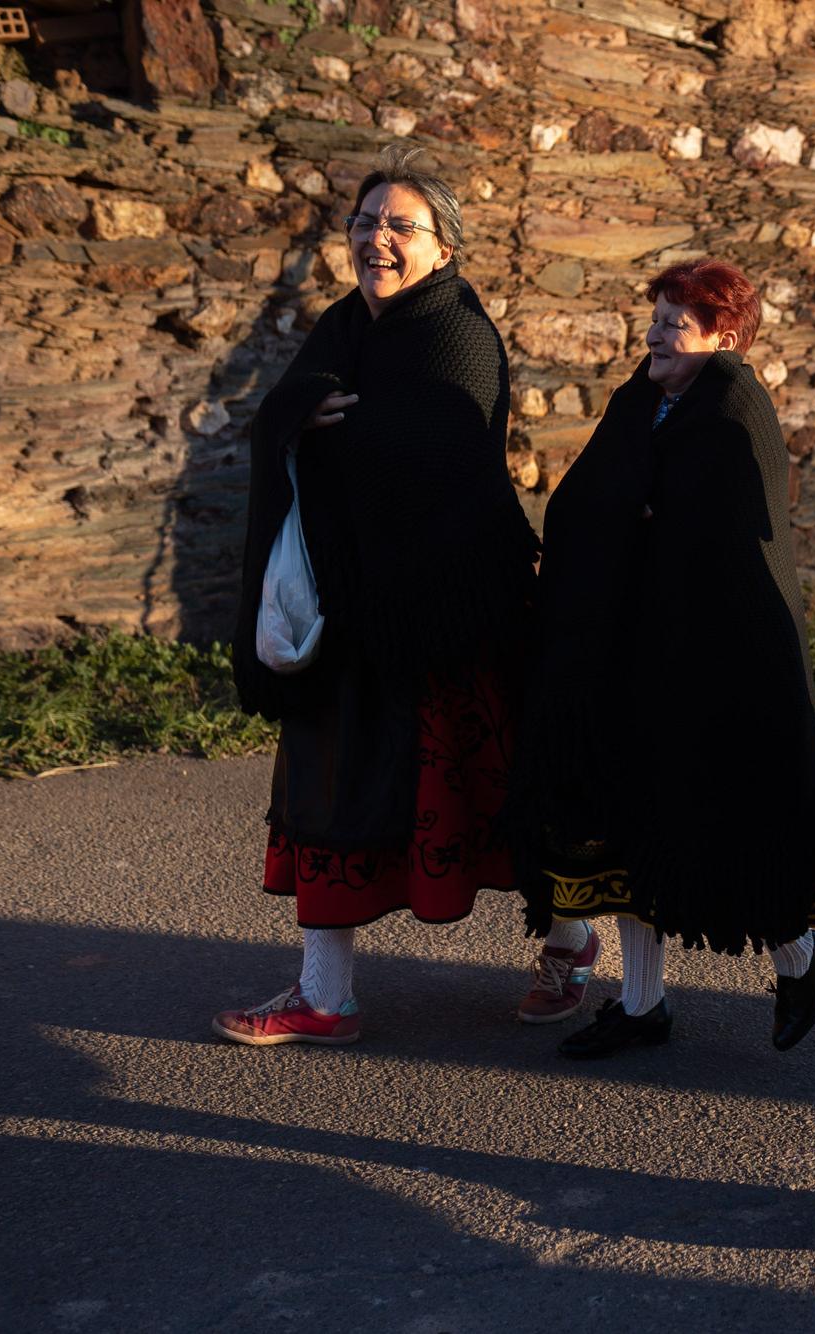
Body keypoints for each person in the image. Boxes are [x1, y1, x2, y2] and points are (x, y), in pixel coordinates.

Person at [214, 145, 572, 1046]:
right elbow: (291, 406)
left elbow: (435, 455)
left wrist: (328, 430)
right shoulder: (345, 327)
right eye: (366, 222)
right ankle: (324, 997)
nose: (377, 240)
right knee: (324, 794)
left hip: (448, 621)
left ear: (444, 248)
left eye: (400, 226)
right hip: (347, 615)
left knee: (496, 798)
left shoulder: (455, 331)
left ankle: (571, 945)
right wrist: (301, 418)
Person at [511, 258, 815, 1060]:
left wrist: (636, 516)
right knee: (629, 828)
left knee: (729, 825)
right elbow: (589, 499)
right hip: (629, 656)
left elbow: (718, 536)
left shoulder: (734, 407)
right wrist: (632, 515)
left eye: (674, 322)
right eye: (655, 317)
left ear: (724, 336)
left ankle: (800, 957)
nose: (654, 334)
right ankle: (641, 1004)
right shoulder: (643, 398)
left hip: (718, 665)